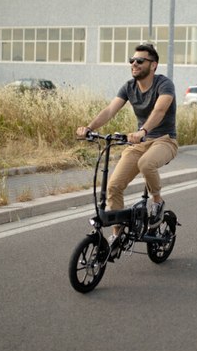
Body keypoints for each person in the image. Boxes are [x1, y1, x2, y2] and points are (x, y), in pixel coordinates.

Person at [76, 44, 178, 250]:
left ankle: (157, 202)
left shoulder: (164, 84)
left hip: (164, 140)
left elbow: (159, 111)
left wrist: (143, 131)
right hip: (140, 143)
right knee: (113, 186)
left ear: (153, 65)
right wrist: (89, 127)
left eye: (140, 61)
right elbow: (109, 110)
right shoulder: (129, 87)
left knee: (146, 164)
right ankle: (118, 234)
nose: (134, 64)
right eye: (132, 60)